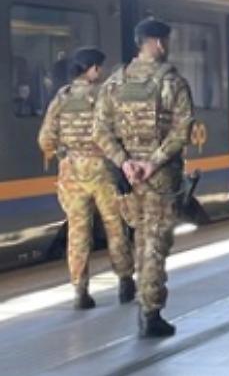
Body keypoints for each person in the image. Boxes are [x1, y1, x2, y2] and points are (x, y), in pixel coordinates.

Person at [94, 18, 193, 338]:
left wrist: (124, 163)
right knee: (154, 244)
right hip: (159, 178)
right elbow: (183, 129)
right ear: (159, 42)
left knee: (138, 238)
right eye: (166, 41)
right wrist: (152, 163)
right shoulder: (172, 82)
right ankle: (150, 313)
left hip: (127, 179)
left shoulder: (114, 81)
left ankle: (141, 299)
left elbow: (100, 131)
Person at [38, 47, 135, 310]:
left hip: (72, 172)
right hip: (102, 169)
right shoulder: (105, 95)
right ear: (91, 68)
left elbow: (45, 138)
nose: (100, 72)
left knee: (78, 231)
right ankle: (125, 280)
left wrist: (65, 154)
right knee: (115, 227)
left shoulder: (62, 97)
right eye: (98, 67)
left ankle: (80, 290)